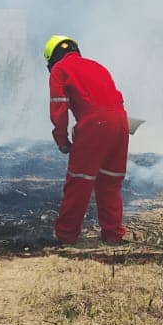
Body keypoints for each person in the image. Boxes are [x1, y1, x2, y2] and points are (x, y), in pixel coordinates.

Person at [44, 35, 130, 244]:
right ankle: (113, 235)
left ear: (52, 58)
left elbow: (59, 108)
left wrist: (62, 141)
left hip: (95, 124)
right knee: (110, 181)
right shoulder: (97, 66)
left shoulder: (60, 69)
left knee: (79, 181)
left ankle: (66, 235)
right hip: (122, 122)